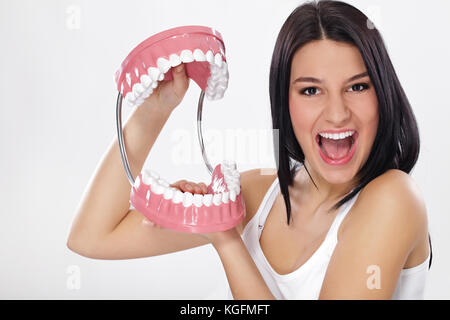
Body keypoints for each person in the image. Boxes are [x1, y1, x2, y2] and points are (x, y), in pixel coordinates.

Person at [67, 0, 432, 299]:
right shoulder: (259, 193)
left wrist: (224, 237)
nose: (337, 114)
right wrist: (156, 109)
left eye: (357, 87)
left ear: (382, 94)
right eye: (310, 90)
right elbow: (92, 236)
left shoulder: (393, 198)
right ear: (283, 102)